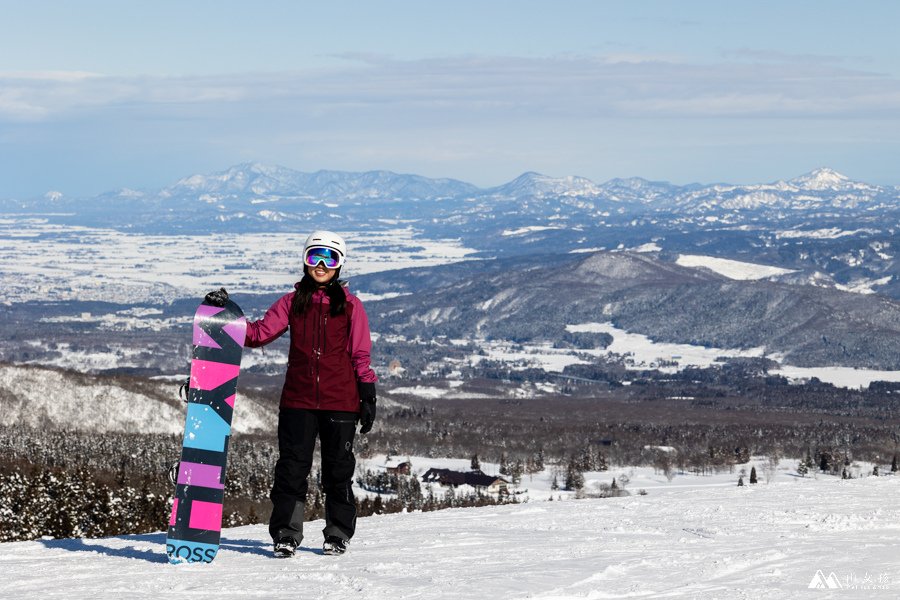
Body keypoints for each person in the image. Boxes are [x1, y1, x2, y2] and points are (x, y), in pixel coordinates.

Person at [206, 230, 377, 557]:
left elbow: (360, 356)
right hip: (298, 401)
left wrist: (367, 395)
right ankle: (286, 534)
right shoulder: (291, 302)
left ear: (340, 265)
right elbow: (257, 334)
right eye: (315, 257)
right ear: (305, 260)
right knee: (291, 471)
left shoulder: (352, 307)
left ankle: (337, 534)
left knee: (337, 472)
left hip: (340, 402)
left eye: (330, 258)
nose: (322, 265)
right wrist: (226, 313)